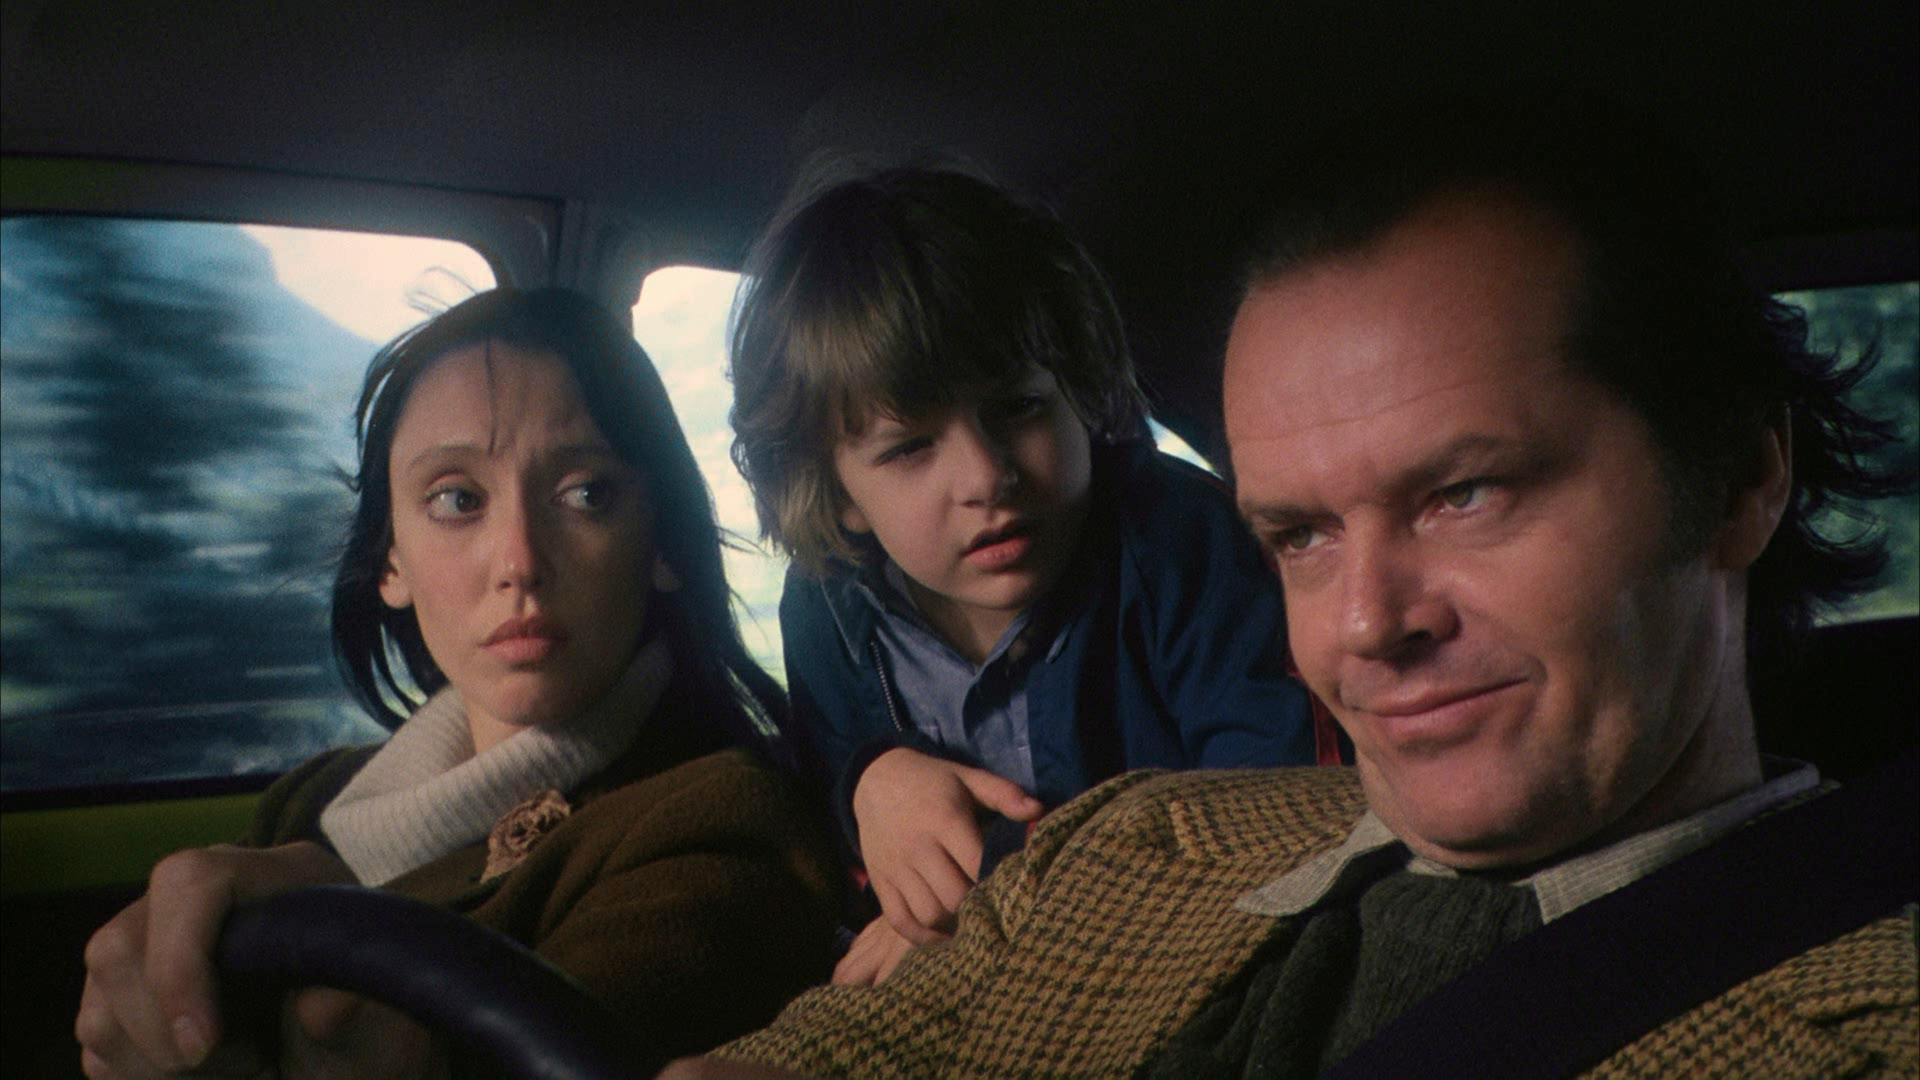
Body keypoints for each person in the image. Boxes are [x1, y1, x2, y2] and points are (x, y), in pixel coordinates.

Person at [673, 91, 1918, 1078]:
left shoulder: (1862, 1019)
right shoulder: (1120, 844)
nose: (1364, 627)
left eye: (1465, 493)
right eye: (1301, 536)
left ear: (1741, 477)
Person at [76, 288, 845, 1078]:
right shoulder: (310, 804)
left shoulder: (720, 823)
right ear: (391, 561)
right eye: (457, 499)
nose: (519, 562)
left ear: (662, 546)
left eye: (587, 494)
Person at [728, 166, 1325, 984]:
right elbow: (833, 798)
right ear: (837, 496)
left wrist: (992, 887)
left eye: (1018, 407)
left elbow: (1275, 807)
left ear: (1076, 389)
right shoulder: (826, 604)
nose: (986, 477)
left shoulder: (1181, 540)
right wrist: (871, 780)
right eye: (910, 448)